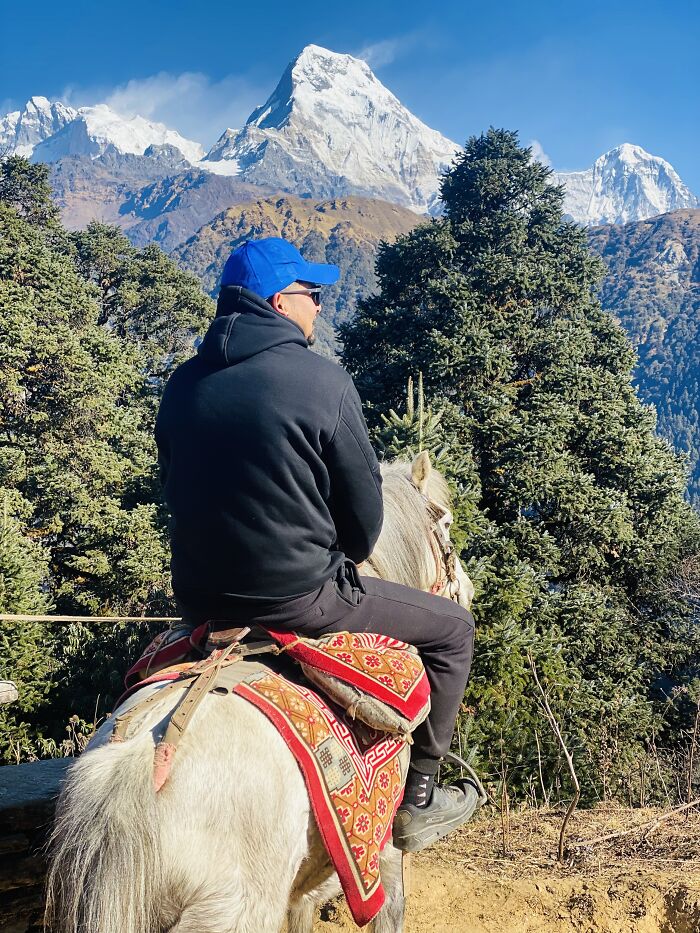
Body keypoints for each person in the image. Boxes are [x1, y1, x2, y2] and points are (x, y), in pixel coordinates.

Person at [155, 237, 480, 851]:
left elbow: (174, 487)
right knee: (453, 629)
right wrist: (341, 558)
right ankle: (419, 798)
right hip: (296, 599)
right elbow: (365, 515)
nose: (320, 308)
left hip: (199, 603)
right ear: (281, 300)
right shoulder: (319, 380)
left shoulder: (181, 385)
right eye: (312, 294)